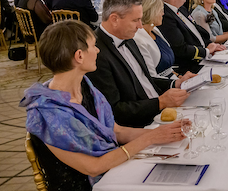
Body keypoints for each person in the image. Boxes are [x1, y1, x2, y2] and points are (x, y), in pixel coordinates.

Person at [20, 21, 185, 190]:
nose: (98, 50)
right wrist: (150, 138)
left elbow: (117, 131)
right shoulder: (48, 113)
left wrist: (163, 133)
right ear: (79, 56)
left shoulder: (86, 87)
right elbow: (94, 167)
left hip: (112, 170)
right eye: (93, 46)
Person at [86, 0, 196, 127]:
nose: (140, 26)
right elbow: (114, 110)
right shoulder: (96, 53)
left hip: (158, 111)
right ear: (114, 19)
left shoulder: (128, 38)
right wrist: (160, 102)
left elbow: (144, 80)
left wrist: (176, 83)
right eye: (135, 20)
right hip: (141, 124)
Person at [158, 0, 225, 74]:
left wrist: (210, 44)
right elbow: (180, 49)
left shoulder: (181, 9)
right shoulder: (165, 16)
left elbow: (197, 31)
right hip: (191, 66)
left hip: (203, 56)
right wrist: (206, 51)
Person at [134, 0, 176, 79]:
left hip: (172, 79)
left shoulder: (155, 30)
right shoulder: (139, 39)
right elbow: (151, 76)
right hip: (161, 86)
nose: (163, 14)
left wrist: (180, 77)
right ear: (151, 12)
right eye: (160, 10)